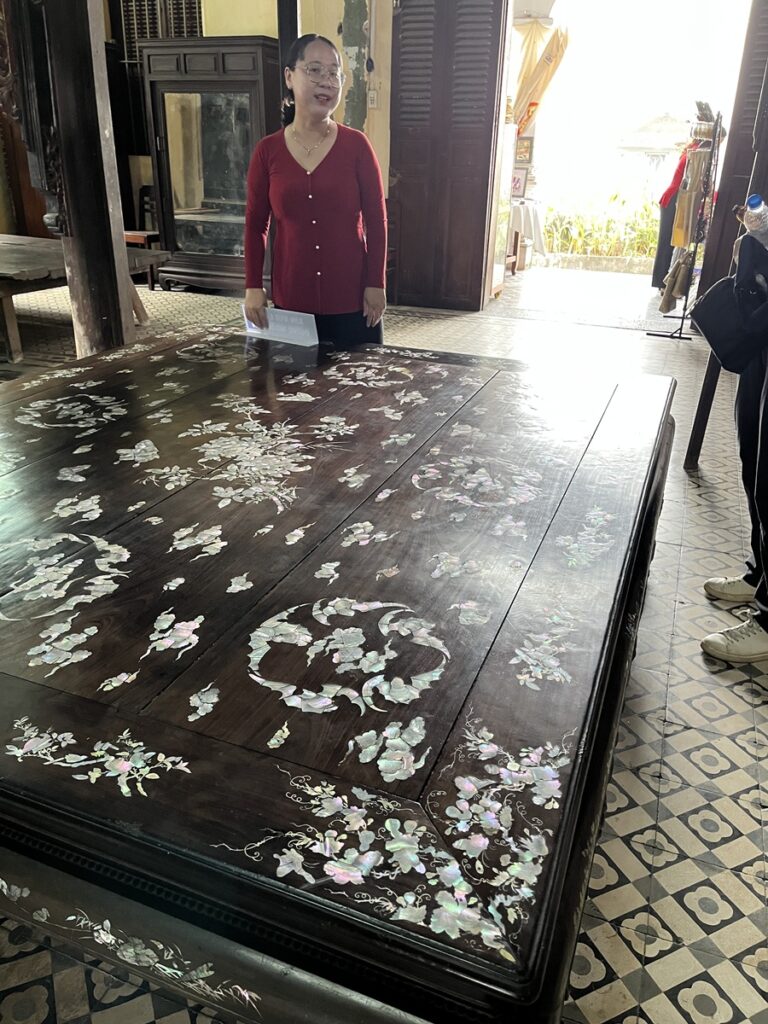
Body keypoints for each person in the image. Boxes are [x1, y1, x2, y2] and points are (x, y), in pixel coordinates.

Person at [243, 33, 387, 348]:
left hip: (353, 300)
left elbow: (377, 220)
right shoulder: (267, 152)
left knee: (358, 392)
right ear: (289, 76)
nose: (327, 81)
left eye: (334, 72)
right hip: (292, 299)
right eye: (315, 70)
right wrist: (253, 285)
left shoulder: (357, 146)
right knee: (293, 392)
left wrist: (376, 283)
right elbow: (256, 224)